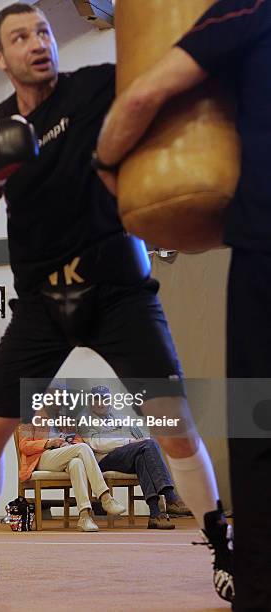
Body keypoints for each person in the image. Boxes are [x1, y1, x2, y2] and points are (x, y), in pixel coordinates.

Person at [0, 3, 232, 607]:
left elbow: (153, 106)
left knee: (174, 428)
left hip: (118, 289)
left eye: (42, 31)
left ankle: (224, 551)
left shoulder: (93, 86)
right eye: (20, 37)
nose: (39, 44)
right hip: (40, 301)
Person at [96, 1, 271, 610]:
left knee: (256, 435)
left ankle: (246, 572)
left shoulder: (247, 9)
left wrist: (106, 165)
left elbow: (144, 97)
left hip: (259, 247)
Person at [78, 385, 191, 529]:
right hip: (104, 460)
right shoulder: (84, 419)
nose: (101, 403)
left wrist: (135, 441)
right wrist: (128, 441)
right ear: (90, 402)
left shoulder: (121, 418)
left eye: (105, 399)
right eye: (97, 399)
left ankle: (155, 515)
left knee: (143, 457)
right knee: (148, 446)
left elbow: (142, 437)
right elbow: (97, 443)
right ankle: (170, 498)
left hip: (127, 456)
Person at [18, 392, 125, 532]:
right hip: (41, 458)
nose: (59, 401)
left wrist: (68, 444)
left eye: (62, 398)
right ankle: (105, 497)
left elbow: (77, 439)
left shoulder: (65, 418)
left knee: (77, 463)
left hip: (63, 456)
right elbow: (24, 445)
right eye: (56, 397)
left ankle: (84, 516)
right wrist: (49, 442)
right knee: (82, 448)